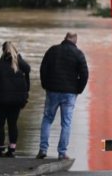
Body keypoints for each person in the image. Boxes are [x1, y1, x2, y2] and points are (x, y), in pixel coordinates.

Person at [36, 32, 89, 160]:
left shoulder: (52, 50)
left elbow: (43, 69)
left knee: (47, 119)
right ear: (75, 40)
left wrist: (45, 85)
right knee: (66, 123)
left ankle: (43, 149)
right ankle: (62, 152)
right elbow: (85, 74)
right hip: (70, 93)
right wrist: (79, 89)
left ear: (65, 38)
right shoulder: (78, 54)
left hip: (52, 91)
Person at [0, 41, 30, 158]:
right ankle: (12, 149)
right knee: (13, 124)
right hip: (17, 100)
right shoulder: (22, 65)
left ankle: (0, 149)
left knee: (0, 124)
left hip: (2, 99)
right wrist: (24, 96)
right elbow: (27, 83)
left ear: (3, 51)